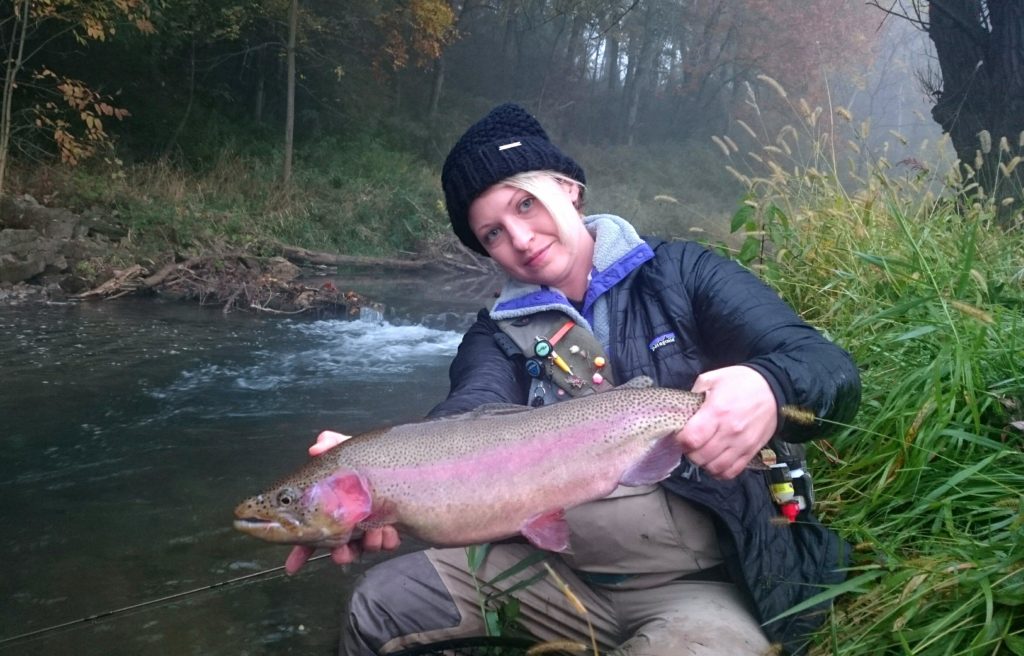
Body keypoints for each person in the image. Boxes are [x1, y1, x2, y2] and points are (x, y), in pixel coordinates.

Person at [288, 103, 861, 656]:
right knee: (377, 606)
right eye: (491, 233)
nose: (518, 237)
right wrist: (371, 472)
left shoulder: (682, 274)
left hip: (706, 585)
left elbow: (826, 368)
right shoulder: (495, 335)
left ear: (569, 189)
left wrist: (769, 385)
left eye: (525, 205)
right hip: (552, 573)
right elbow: (463, 422)